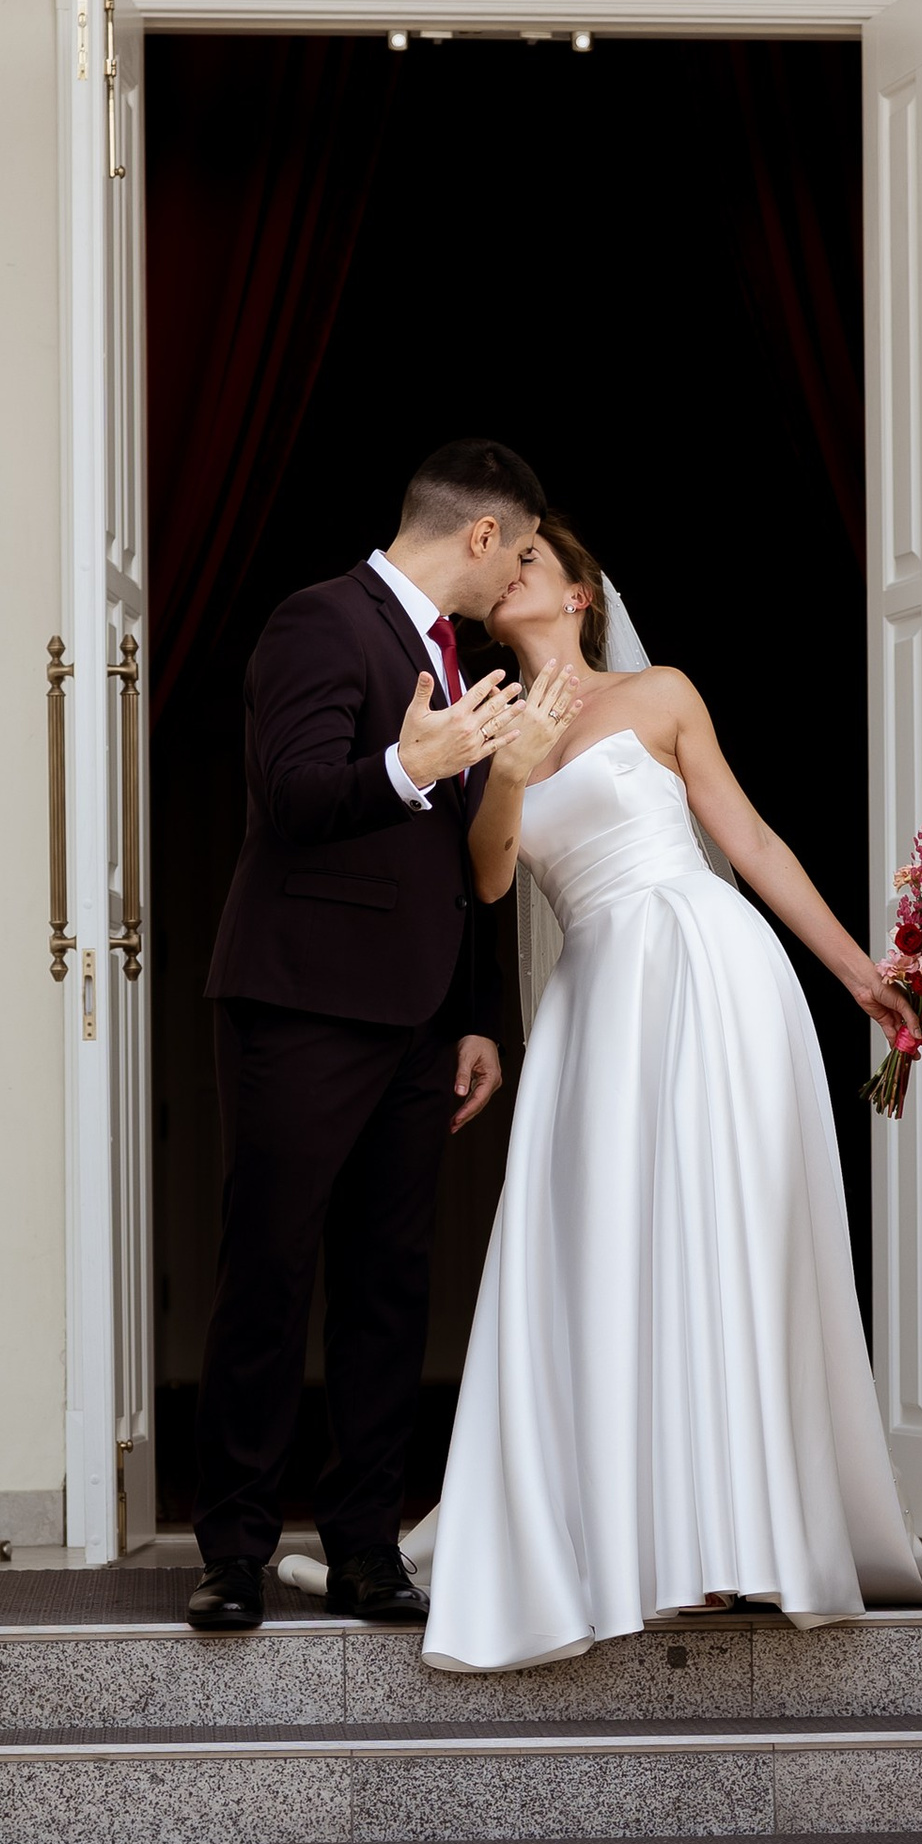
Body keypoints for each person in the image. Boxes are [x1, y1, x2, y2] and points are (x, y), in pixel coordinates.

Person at [421, 521, 922, 1670]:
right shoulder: (483, 735)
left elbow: (750, 840)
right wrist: (506, 767)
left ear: (579, 591)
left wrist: (858, 970)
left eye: (533, 556)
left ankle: (735, 1539)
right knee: (605, 1252)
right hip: (596, 998)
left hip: (708, 969)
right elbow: (488, 875)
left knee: (725, 1238)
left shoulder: (659, 692)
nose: (511, 568)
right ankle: (622, 1530)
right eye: (499, 560)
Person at [187, 444, 536, 1634]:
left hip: (420, 1020)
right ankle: (232, 1550)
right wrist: (406, 761)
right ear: (480, 535)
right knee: (270, 1267)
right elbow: (289, 796)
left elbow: (465, 860)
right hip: (297, 1003)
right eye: (520, 552)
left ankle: (364, 1549)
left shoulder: (460, 660)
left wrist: (478, 1013)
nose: (520, 581)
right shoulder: (318, 621)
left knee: (391, 1283)